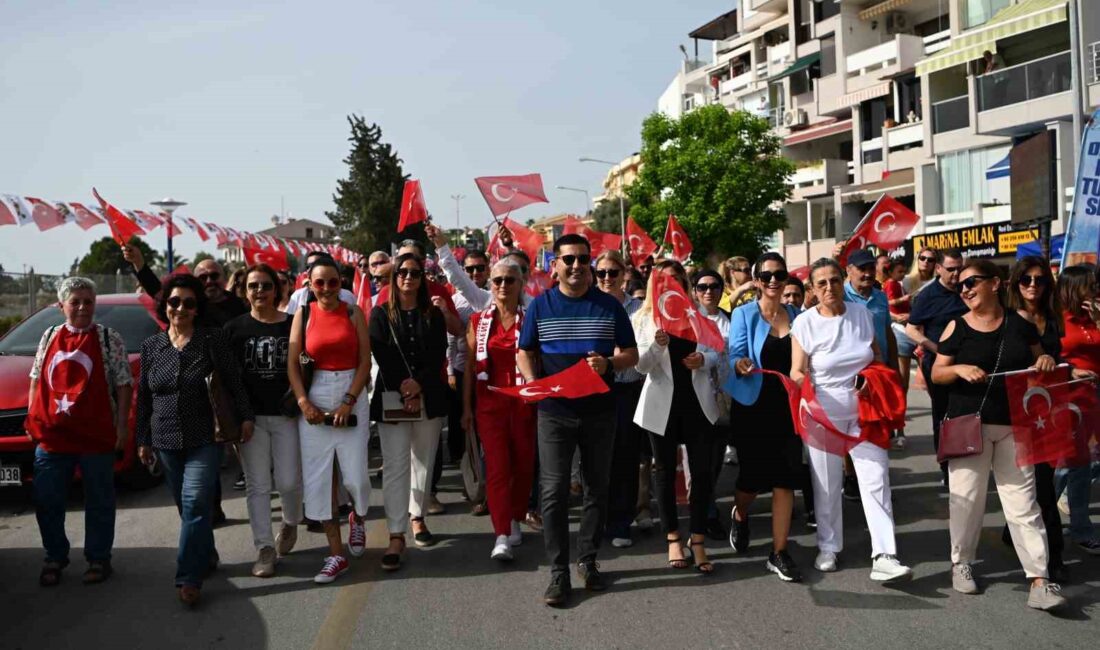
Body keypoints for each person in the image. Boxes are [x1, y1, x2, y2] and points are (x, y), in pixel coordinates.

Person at [930, 259, 1068, 612]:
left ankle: (1039, 579)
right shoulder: (956, 327)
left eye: (972, 282)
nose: (965, 289)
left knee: (1023, 504)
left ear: (995, 283)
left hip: (1015, 425)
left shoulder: (1020, 324)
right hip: (968, 425)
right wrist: (958, 368)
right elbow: (937, 374)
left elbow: (1041, 363)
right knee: (967, 499)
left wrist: (1046, 363)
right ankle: (961, 562)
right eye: (961, 285)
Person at [517, 234, 638, 607]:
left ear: (590, 264)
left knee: (595, 489)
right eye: (568, 259)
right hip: (555, 414)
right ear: (555, 264)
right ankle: (558, 572)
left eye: (582, 260)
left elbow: (631, 354)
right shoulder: (541, 305)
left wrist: (610, 364)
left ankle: (587, 559)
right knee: (553, 493)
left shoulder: (609, 306)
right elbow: (525, 350)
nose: (576, 266)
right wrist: (534, 383)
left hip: (600, 412)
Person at [136, 274, 255, 606]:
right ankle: (208, 553)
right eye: (175, 302)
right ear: (166, 306)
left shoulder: (211, 340)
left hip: (204, 437)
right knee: (187, 508)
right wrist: (143, 439)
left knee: (195, 504)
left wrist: (246, 417)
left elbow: (233, 381)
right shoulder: (151, 347)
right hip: (165, 440)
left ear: (197, 308)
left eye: (189, 303)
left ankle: (188, 577)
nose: (181, 308)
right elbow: (144, 398)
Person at [791, 258, 911, 582]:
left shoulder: (862, 314)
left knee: (876, 478)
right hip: (823, 414)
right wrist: (808, 391)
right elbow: (797, 369)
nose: (829, 288)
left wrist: (873, 379)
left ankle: (885, 554)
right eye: (821, 283)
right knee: (827, 485)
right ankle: (828, 547)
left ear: (842, 280)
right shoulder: (804, 323)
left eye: (833, 280)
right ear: (813, 290)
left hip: (865, 410)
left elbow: (876, 355)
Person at [27, 277, 132, 587]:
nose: (84, 307)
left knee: (99, 500)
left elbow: (124, 384)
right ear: (62, 306)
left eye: (88, 301)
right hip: (53, 437)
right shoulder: (49, 336)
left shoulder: (108, 339)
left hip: (96, 437)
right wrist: (34, 420)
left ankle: (99, 558)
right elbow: (36, 379)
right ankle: (54, 556)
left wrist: (121, 427)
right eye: (76, 302)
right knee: (47, 500)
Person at [288, 256, 372, 584]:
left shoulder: (353, 313)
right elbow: (296, 360)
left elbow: (364, 360)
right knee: (319, 481)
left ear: (342, 284)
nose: (325, 289)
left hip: (351, 390)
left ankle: (359, 517)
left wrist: (349, 401)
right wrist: (303, 400)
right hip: (316, 390)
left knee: (355, 478)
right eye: (318, 282)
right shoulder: (303, 314)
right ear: (309, 284)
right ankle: (336, 554)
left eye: (332, 282)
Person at [633, 260, 720, 574]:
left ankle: (698, 540)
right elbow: (640, 366)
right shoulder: (643, 318)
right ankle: (672, 537)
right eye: (663, 279)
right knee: (664, 473)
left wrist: (703, 360)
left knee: (702, 473)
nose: (669, 284)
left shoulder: (696, 316)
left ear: (684, 284)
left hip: (697, 405)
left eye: (676, 279)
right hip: (661, 407)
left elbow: (715, 351)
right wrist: (657, 346)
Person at [726, 253, 804, 582]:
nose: (774, 280)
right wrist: (740, 364)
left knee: (785, 478)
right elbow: (735, 353)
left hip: (788, 406)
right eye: (767, 275)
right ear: (757, 281)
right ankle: (740, 513)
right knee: (753, 478)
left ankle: (779, 551)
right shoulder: (744, 314)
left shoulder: (800, 316)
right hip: (753, 405)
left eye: (779, 274)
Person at [369, 253, 449, 570]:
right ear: (394, 276)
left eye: (415, 272)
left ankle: (418, 517)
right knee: (396, 467)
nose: (408, 277)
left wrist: (419, 385)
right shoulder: (379, 314)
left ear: (422, 278)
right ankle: (396, 533)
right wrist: (406, 389)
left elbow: (437, 354)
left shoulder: (433, 314)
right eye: (402, 271)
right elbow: (382, 355)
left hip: (429, 396)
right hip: (392, 398)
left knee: (423, 462)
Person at [223, 264, 303, 578]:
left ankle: (290, 521)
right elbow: (228, 380)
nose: (260, 292)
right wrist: (236, 418)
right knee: (257, 485)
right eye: (253, 286)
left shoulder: (294, 324)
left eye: (266, 286)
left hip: (287, 417)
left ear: (277, 290)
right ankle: (264, 549)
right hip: (250, 420)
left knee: (287, 482)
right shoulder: (234, 329)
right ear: (245, 291)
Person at [461, 258, 536, 560]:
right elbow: (468, 368)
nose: (503, 286)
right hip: (489, 403)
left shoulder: (531, 318)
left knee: (523, 465)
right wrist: (466, 408)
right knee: (497, 468)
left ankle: (515, 515)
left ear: (521, 285)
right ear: (489, 285)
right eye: (497, 281)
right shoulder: (478, 322)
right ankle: (501, 532)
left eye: (510, 280)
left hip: (523, 403)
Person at [1004, 257, 1067, 578]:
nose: (1032, 285)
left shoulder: (1054, 318)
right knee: (1038, 483)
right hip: (1015, 412)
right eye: (1026, 279)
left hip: (1049, 410)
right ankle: (1053, 557)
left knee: (1041, 478)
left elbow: (1060, 358)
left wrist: (1072, 368)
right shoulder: (1008, 319)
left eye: (1040, 280)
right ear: (1015, 283)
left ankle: (1011, 528)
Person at [432, 247, 488, 514]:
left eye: (480, 268)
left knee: (487, 435)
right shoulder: (455, 300)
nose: (476, 273)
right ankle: (473, 486)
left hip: (490, 376)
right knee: (464, 431)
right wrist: (452, 373)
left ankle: (487, 490)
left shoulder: (493, 297)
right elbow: (451, 339)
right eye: (471, 269)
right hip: (462, 372)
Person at [595, 250, 645, 549]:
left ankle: (621, 522)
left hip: (629, 389)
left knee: (626, 458)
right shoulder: (588, 304)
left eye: (613, 272)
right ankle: (597, 520)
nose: (607, 278)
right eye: (601, 273)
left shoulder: (639, 308)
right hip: (595, 390)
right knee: (597, 459)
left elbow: (647, 347)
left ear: (624, 273)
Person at [906, 250, 968, 483]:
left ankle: (968, 461)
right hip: (939, 366)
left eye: (959, 268)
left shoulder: (968, 289)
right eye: (951, 269)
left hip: (969, 364)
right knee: (944, 417)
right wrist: (936, 348)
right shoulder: (928, 295)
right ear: (939, 269)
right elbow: (912, 328)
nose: (956, 274)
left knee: (969, 414)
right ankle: (947, 466)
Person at [1055, 266, 1100, 556]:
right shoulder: (1057, 318)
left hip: (1096, 396)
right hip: (1070, 397)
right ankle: (1079, 526)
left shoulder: (1093, 316)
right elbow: (1046, 355)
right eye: (1091, 284)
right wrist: (1071, 371)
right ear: (1074, 287)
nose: (1096, 289)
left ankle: (1079, 522)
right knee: (1070, 464)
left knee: (1082, 465)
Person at [844, 249, 901, 453]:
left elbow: (887, 332)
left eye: (871, 268)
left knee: (877, 429)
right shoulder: (840, 296)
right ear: (849, 270)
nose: (868, 273)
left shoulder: (881, 297)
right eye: (862, 269)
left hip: (879, 371)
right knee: (852, 430)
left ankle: (877, 473)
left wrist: (893, 369)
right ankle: (851, 477)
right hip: (852, 375)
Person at [692, 268, 732, 537]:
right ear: (694, 291)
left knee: (716, 458)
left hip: (726, 400)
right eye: (702, 286)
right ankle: (705, 512)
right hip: (696, 399)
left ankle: (707, 503)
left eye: (714, 286)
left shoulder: (732, 319)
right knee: (700, 460)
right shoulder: (688, 321)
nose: (709, 291)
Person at [285, 251, 356, 313]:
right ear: (310, 284)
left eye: (315, 265)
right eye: (308, 266)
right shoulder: (298, 297)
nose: (326, 289)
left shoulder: (348, 297)